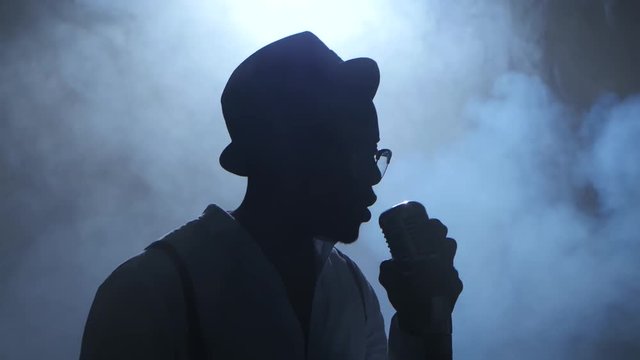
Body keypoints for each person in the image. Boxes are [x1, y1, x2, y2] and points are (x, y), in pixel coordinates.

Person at [79, 31, 462, 360]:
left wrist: (423, 325)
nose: (370, 177)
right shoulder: (151, 292)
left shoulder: (353, 290)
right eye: (351, 151)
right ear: (284, 151)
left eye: (373, 155)